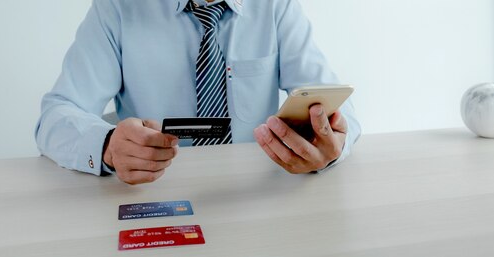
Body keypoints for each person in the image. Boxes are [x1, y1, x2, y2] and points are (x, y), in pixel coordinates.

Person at [35, 0, 361, 185]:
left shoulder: (275, 5)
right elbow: (56, 115)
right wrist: (107, 146)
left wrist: (333, 146)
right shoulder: (118, 8)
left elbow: (338, 108)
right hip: (154, 195)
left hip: (255, 192)